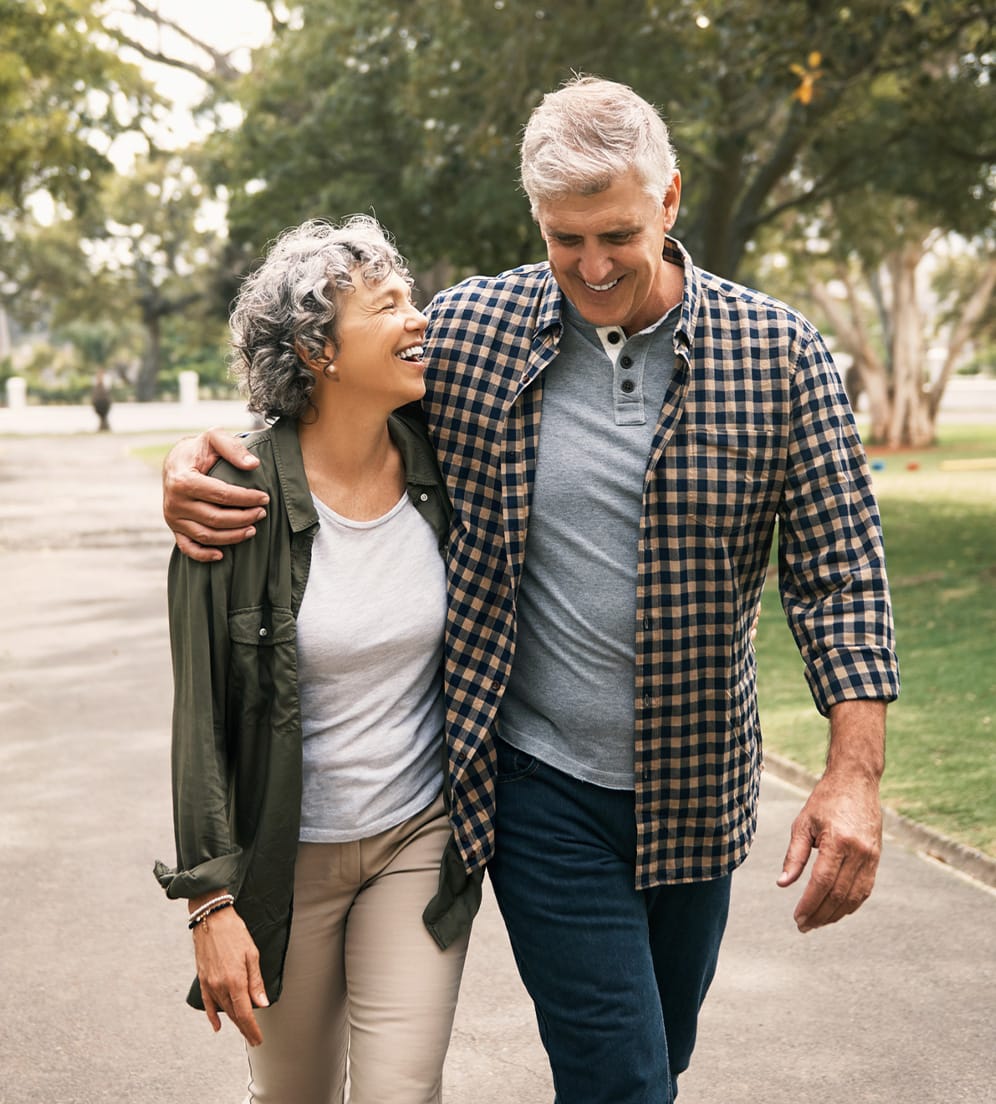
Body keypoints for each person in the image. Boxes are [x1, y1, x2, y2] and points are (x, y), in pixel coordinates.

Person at [161, 78, 899, 1104]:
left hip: (699, 788)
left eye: (618, 235)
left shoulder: (783, 357)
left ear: (670, 200)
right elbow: (334, 412)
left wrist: (853, 774)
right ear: (536, 224)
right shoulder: (473, 333)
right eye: (565, 239)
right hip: (537, 785)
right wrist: (202, 460)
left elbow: (842, 576)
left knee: (659, 1055)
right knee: (620, 1080)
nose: (593, 267)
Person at [154, 215, 481, 1104]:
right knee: (293, 1094)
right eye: (389, 305)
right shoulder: (233, 500)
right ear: (318, 350)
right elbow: (202, 723)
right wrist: (210, 904)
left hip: (420, 837)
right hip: (283, 859)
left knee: (400, 1092)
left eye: (412, 298)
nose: (421, 319)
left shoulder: (448, 466)